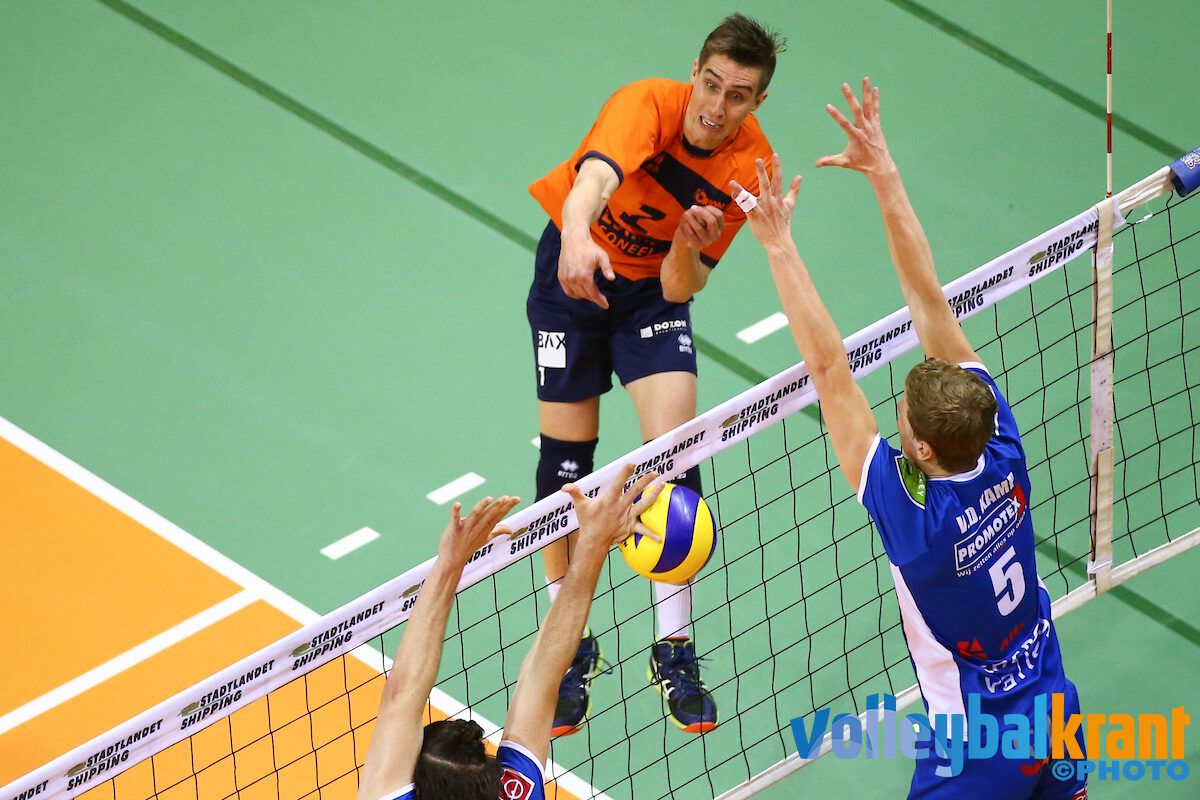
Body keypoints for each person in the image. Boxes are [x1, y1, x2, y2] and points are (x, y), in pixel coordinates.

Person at [731, 80, 1088, 798]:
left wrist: (778, 244)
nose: (893, 410)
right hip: (1055, 706)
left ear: (922, 449)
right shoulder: (1001, 444)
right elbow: (930, 302)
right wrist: (884, 172)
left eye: (900, 413)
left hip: (976, 754)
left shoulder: (918, 523)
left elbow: (830, 372)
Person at [526, 12, 785, 736]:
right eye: (712, 84)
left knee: (676, 456)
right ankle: (568, 644)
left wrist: (684, 246)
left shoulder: (749, 170)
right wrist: (579, 238)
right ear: (694, 73)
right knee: (565, 466)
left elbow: (681, 287)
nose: (717, 106)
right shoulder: (645, 104)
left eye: (738, 95)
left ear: (757, 101)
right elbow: (593, 179)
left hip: (649, 297)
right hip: (571, 277)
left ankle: (674, 648)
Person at [356, 465, 663, 800]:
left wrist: (449, 565)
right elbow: (542, 675)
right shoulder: (516, 790)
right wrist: (593, 543)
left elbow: (402, 698)